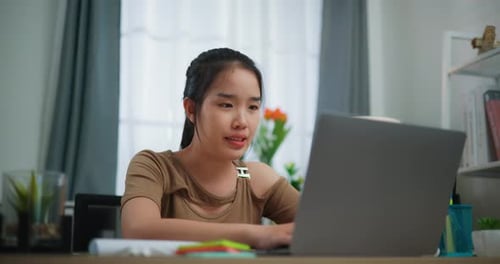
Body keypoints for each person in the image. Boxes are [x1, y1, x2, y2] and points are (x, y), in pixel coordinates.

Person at [120, 47, 299, 250]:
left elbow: (328, 229)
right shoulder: (155, 167)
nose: (242, 122)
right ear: (191, 109)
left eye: (252, 107)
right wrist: (257, 234)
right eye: (226, 105)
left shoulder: (255, 178)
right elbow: (138, 229)